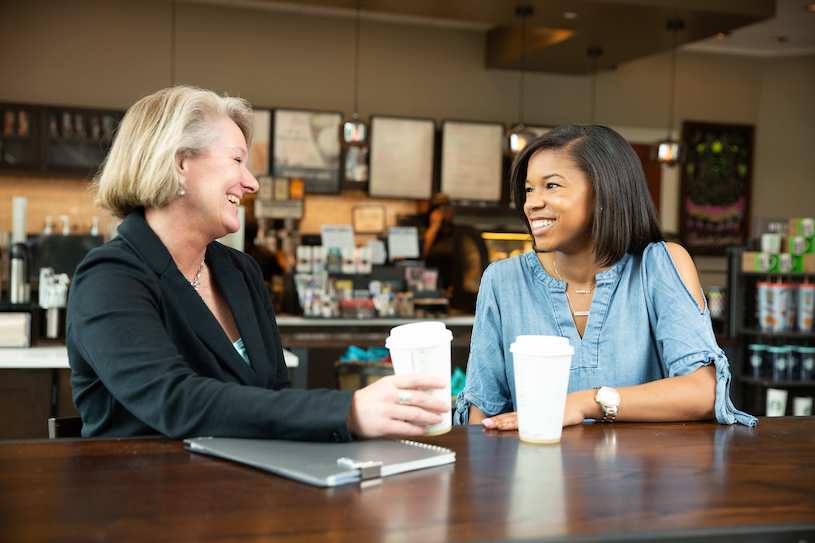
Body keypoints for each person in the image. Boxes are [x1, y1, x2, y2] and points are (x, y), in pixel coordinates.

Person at [67, 86, 448, 440]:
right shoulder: (110, 278)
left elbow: (274, 395)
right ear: (180, 163)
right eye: (236, 160)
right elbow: (173, 400)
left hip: (248, 483)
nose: (252, 184)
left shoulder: (239, 271)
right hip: (143, 487)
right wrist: (345, 411)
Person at [454, 125, 755, 429]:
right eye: (529, 189)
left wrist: (585, 403)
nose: (531, 203)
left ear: (603, 192)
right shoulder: (503, 281)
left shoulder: (659, 267)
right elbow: (483, 415)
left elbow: (703, 392)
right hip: (536, 460)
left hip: (644, 461)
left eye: (552, 186)